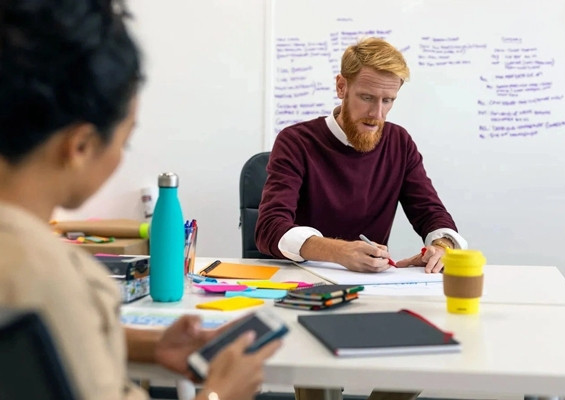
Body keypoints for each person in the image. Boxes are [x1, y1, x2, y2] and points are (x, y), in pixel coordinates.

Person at [0, 1, 281, 400]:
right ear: (79, 146)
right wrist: (220, 394)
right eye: (125, 140)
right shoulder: (45, 276)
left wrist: (147, 345)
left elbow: (57, 345)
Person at [256, 37, 468, 274]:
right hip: (301, 279)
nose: (376, 114)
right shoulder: (296, 141)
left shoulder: (400, 142)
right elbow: (269, 228)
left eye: (388, 101)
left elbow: (431, 212)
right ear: (341, 87)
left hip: (372, 283)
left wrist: (441, 247)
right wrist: (338, 252)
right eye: (367, 97)